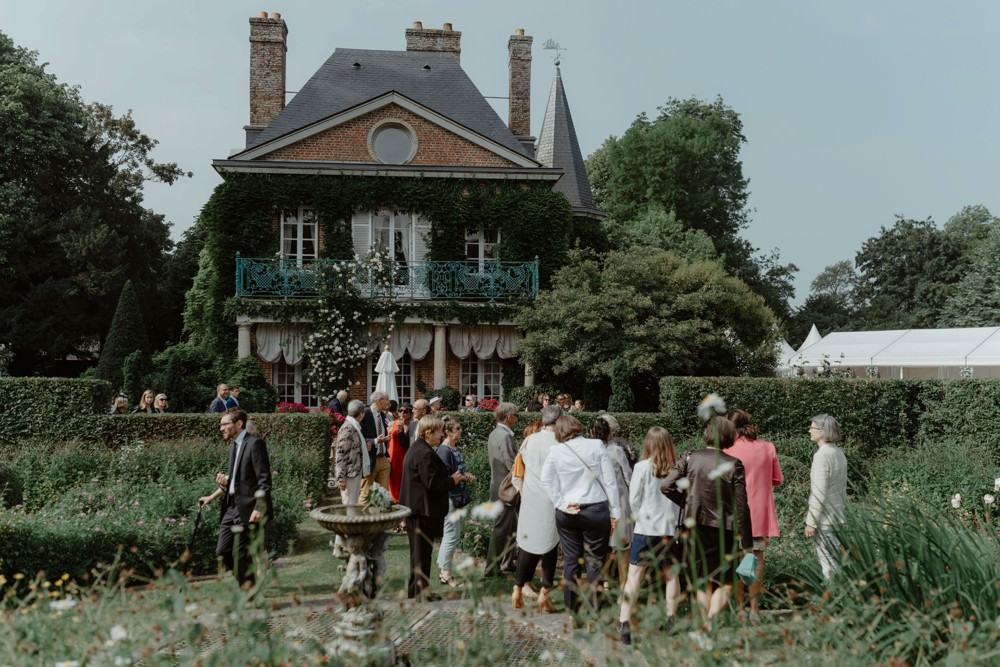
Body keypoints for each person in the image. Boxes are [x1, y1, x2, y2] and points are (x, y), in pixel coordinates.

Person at [661, 416, 753, 630]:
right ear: (729, 436)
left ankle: (706, 625)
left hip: (693, 526)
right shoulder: (734, 464)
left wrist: (687, 503)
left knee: (702, 579)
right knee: (728, 580)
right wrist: (747, 543)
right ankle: (710, 623)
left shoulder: (689, 457)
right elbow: (742, 506)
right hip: (724, 530)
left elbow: (666, 486)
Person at [541, 414, 620, 615]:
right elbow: (610, 481)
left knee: (571, 561)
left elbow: (546, 480)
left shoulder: (555, 451)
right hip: (595, 508)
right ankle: (594, 608)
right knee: (594, 561)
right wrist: (616, 511)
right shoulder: (596, 446)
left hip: (569, 510)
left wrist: (561, 503)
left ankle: (571, 607)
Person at [617, 427, 682, 645]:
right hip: (668, 529)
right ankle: (672, 619)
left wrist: (638, 517)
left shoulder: (642, 467)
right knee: (671, 576)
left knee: (634, 576)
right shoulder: (677, 467)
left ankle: (624, 622)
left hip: (645, 528)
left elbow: (634, 498)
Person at [198, 408, 273, 586]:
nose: (221, 428)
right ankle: (248, 582)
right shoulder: (233, 447)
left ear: (239, 424)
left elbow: (264, 481)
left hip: (248, 509)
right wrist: (212, 495)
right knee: (222, 552)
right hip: (231, 509)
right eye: (220, 424)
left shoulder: (255, 444)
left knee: (239, 554)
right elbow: (235, 482)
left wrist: (258, 508)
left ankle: (248, 589)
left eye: (225, 424)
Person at [399, 415, 469, 599]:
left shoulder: (420, 449)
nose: (440, 435)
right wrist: (452, 480)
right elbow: (432, 483)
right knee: (422, 554)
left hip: (417, 509)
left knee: (419, 554)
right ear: (428, 433)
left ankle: (416, 591)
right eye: (438, 431)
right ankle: (420, 593)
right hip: (421, 510)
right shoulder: (424, 453)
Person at [726, 408, 784, 623]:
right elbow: (777, 479)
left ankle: (739, 608)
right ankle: (754, 610)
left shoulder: (726, 449)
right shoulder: (768, 448)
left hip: (732, 514)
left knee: (736, 559)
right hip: (759, 514)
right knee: (756, 560)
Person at [512, 406, 561, 613]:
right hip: (551, 499)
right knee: (550, 547)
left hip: (531, 498)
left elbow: (518, 470)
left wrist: (523, 491)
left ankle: (517, 587)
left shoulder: (529, 440)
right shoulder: (560, 443)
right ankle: (544, 593)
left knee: (528, 545)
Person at [591, 416, 633, 588]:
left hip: (598, 502)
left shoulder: (590, 451)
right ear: (610, 432)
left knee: (602, 546)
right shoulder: (616, 451)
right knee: (622, 546)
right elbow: (628, 477)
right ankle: (623, 583)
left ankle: (606, 580)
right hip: (619, 501)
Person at [805, 413, 848, 580]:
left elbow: (819, 492)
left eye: (813, 428)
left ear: (823, 431)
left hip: (825, 520)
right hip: (838, 516)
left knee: (828, 563)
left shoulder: (821, 456)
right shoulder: (838, 453)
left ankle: (834, 601)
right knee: (836, 561)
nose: (809, 431)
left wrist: (811, 522)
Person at [436, 415, 476, 586]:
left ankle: (443, 570)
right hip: (450, 497)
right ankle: (446, 573)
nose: (460, 432)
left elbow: (455, 472)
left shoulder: (451, 448)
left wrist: (465, 476)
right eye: (457, 430)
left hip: (457, 496)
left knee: (452, 534)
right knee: (451, 535)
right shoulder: (444, 451)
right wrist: (462, 477)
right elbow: (445, 476)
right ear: (447, 432)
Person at [486, 402, 520, 576]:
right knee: (501, 529)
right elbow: (511, 463)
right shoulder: (505, 435)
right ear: (508, 417)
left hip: (499, 486)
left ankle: (507, 562)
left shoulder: (495, 433)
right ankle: (492, 566)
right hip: (505, 489)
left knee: (511, 527)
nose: (517, 418)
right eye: (516, 415)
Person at [359, 390, 391, 503]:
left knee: (384, 495)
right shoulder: (364, 414)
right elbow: (359, 438)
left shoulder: (382, 415)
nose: (388, 402)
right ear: (379, 400)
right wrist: (376, 440)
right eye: (386, 400)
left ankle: (380, 519)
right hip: (370, 459)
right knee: (365, 494)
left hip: (384, 459)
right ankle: (360, 520)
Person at [388, 404, 413, 503]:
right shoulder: (391, 424)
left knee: (403, 478)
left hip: (405, 454)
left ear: (410, 414)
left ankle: (403, 499)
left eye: (405, 411)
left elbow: (406, 442)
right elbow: (387, 440)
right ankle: (393, 499)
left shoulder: (412, 425)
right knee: (393, 478)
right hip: (393, 454)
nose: (402, 413)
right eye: (400, 410)